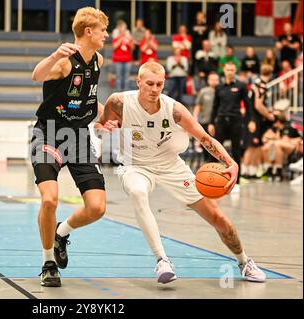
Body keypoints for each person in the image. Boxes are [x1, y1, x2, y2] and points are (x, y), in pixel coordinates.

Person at [95, 61, 266, 284]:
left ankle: (244, 262)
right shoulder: (118, 102)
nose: (155, 89)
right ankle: (162, 260)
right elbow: (99, 126)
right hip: (135, 165)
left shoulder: (173, 109)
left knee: (218, 218)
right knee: (138, 192)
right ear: (138, 82)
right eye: (149, 84)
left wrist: (231, 162)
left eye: (159, 84)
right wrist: (105, 128)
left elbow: (204, 138)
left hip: (170, 165)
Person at [30, 7, 109, 287]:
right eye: (102, 30)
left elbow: (88, 96)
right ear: (88, 32)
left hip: (78, 137)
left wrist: (103, 118)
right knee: (50, 199)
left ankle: (62, 233)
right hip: (49, 134)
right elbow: (37, 76)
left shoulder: (97, 60)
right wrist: (54, 55)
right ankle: (48, 261)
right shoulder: (64, 62)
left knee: (97, 207)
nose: (106, 35)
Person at [208, 62, 254, 192]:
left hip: (236, 121)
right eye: (228, 70)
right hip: (221, 120)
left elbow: (248, 105)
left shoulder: (242, 86)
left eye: (232, 70)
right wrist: (211, 122)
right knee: (215, 150)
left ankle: (237, 181)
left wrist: (250, 121)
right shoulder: (219, 87)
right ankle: (212, 177)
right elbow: (215, 106)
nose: (230, 72)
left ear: (235, 71)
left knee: (236, 151)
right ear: (224, 70)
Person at [193, 72, 220, 162]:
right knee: (206, 144)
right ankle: (206, 163)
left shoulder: (221, 91)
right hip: (205, 121)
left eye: (216, 80)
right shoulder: (203, 91)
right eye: (212, 79)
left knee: (216, 145)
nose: (214, 81)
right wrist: (195, 118)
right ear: (208, 81)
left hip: (218, 122)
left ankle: (215, 164)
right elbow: (198, 106)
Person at [112, 20, 134, 91]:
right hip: (118, 60)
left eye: (124, 28)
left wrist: (129, 40)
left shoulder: (128, 37)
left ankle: (126, 92)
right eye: (122, 28)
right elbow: (114, 46)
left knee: (127, 77)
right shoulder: (116, 37)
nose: (123, 30)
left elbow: (132, 47)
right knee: (119, 77)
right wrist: (121, 38)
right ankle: (119, 92)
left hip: (127, 59)